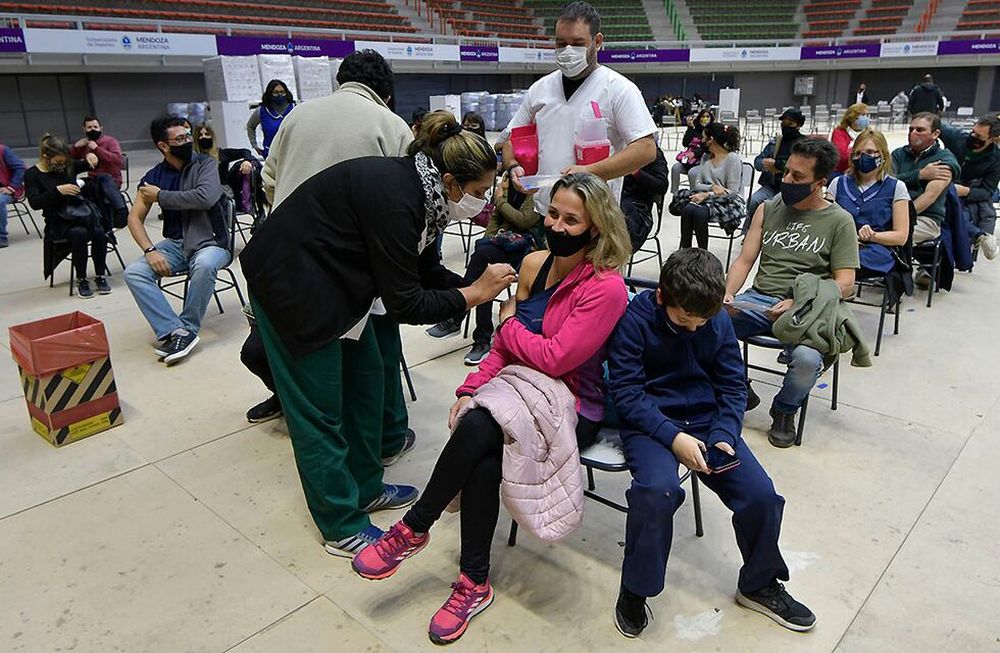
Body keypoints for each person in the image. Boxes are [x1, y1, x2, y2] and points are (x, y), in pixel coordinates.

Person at [351, 172, 632, 645]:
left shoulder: (605, 288)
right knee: (483, 433)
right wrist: (471, 385)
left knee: (487, 426)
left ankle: (416, 527)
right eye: (553, 215)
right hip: (515, 391)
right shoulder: (535, 265)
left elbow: (557, 357)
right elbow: (505, 354)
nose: (557, 227)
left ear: (597, 228)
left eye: (571, 220)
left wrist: (505, 325)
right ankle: (472, 583)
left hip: (573, 405)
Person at [239, 111, 517, 558]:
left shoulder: (427, 196)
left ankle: (366, 486)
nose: (484, 203)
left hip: (341, 282)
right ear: (451, 180)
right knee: (319, 412)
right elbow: (407, 303)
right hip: (293, 285)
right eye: (480, 192)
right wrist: (471, 296)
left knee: (369, 383)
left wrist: (473, 285)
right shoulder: (398, 198)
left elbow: (424, 270)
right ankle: (340, 523)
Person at [607, 248, 815, 638]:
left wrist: (722, 434)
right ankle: (635, 589)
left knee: (761, 496)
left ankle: (759, 583)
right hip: (651, 422)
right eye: (684, 319)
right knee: (657, 491)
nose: (693, 328)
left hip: (707, 421)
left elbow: (732, 386)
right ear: (662, 297)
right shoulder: (635, 321)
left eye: (701, 321)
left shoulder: (715, 320)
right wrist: (673, 438)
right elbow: (628, 395)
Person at [259, 48, 422, 461]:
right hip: (357, 265)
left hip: (289, 264)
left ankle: (353, 452)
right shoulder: (390, 123)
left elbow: (269, 181)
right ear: (386, 90)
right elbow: (406, 201)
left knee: (321, 377)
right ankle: (386, 440)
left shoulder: (297, 115)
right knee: (378, 353)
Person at [725, 138, 859, 447]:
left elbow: (846, 283)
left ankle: (784, 409)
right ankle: (738, 388)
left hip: (807, 310)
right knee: (705, 324)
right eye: (786, 172)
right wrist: (728, 295)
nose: (787, 180)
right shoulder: (767, 208)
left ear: (820, 183)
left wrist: (801, 301)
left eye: (798, 177)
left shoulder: (840, 221)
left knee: (808, 360)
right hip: (758, 300)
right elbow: (745, 259)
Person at [502, 1, 657, 218]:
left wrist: (590, 172)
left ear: (598, 41)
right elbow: (511, 138)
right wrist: (512, 166)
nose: (567, 51)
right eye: (560, 43)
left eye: (577, 43)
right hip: (547, 211)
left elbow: (646, 148)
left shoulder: (618, 89)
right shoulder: (540, 89)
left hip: (596, 214)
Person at [124, 117, 229, 365]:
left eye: (188, 136)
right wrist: (150, 250)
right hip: (175, 244)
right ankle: (175, 330)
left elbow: (205, 197)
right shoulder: (154, 175)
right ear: (163, 146)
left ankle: (188, 328)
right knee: (135, 272)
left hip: (211, 242)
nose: (187, 142)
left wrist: (161, 196)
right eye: (180, 139)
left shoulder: (205, 164)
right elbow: (134, 218)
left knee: (204, 265)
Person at [426, 170, 544, 365]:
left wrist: (499, 201)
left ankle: (461, 316)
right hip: (504, 245)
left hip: (530, 249)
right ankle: (479, 337)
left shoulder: (536, 187)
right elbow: (495, 220)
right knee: (483, 264)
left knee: (482, 260)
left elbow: (525, 220)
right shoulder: (508, 183)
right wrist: (486, 241)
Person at [24, 134, 107, 297]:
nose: (62, 165)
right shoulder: (33, 174)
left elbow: (92, 165)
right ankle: (81, 279)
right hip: (57, 222)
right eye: (58, 162)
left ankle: (100, 275)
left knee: (99, 232)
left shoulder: (67, 166)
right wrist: (57, 191)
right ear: (46, 157)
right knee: (79, 234)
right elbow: (34, 203)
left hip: (78, 214)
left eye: (64, 161)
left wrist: (92, 156)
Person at [827, 129, 910, 277]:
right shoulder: (837, 183)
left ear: (883, 156)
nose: (863, 157)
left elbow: (901, 237)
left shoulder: (897, 187)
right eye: (858, 153)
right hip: (839, 245)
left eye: (870, 152)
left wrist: (873, 236)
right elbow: (824, 221)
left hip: (875, 249)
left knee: (843, 262)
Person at [891, 113, 960, 251]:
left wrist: (901, 218)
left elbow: (929, 196)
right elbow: (885, 183)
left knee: (890, 238)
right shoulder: (898, 154)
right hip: (890, 213)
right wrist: (919, 175)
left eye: (920, 130)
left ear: (935, 134)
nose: (913, 133)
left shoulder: (945, 161)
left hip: (925, 219)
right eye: (911, 129)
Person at [678, 122, 745, 249]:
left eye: (704, 137)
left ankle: (703, 254)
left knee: (699, 212)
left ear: (711, 140)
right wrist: (711, 188)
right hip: (708, 197)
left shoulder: (733, 159)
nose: (701, 141)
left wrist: (709, 194)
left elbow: (733, 192)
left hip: (730, 201)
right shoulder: (706, 157)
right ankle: (685, 252)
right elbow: (697, 184)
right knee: (687, 209)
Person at [746, 108, 807, 229]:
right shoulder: (776, 141)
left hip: (791, 188)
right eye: (783, 123)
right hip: (771, 186)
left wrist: (777, 165)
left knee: (780, 208)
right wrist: (764, 163)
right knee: (754, 201)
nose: (785, 126)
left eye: (790, 123)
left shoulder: (804, 144)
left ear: (798, 125)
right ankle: (748, 231)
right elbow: (757, 161)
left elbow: (801, 166)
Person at [195, 124, 264, 225]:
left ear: (212, 136)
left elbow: (245, 151)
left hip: (223, 191)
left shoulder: (221, 153)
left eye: (206, 134)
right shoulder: (194, 158)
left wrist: (247, 161)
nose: (204, 137)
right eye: (200, 135)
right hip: (204, 191)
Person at [954, 117, 1000, 260]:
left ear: (992, 139)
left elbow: (988, 190)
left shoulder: (996, 160)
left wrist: (966, 192)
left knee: (972, 213)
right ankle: (980, 236)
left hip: (970, 192)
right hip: (948, 185)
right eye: (973, 132)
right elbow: (934, 123)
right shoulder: (957, 139)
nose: (973, 137)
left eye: (979, 136)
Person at [621, 146, 669, 251]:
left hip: (637, 209)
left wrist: (636, 172)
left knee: (617, 217)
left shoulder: (652, 153)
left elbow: (661, 186)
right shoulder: (617, 149)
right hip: (614, 201)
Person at [69, 116, 124, 189]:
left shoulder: (111, 141)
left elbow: (117, 160)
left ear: (101, 128)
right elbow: (68, 160)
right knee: (73, 187)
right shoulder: (84, 144)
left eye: (95, 127)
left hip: (110, 180)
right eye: (89, 127)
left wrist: (97, 148)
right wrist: (75, 147)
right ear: (84, 129)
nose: (93, 129)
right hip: (92, 180)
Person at [247, 79, 295, 158]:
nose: (280, 95)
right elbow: (250, 126)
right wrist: (254, 144)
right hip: (271, 154)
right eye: (276, 92)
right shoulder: (262, 110)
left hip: (292, 153)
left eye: (282, 92)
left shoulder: (295, 108)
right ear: (270, 94)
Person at [671, 108, 713, 192]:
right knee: (675, 168)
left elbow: (706, 148)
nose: (705, 119)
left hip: (703, 161)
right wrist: (689, 128)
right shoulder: (695, 130)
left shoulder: (712, 131)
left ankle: (693, 193)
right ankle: (675, 193)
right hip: (689, 160)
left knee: (692, 173)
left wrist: (694, 153)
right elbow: (685, 143)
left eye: (707, 116)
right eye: (703, 116)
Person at [0, 140, 26, 248]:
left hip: (6, 189)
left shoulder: (2, 150)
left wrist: (11, 187)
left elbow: (20, 167)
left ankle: (1, 238)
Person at [830, 103, 870, 174]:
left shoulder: (870, 133)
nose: (866, 118)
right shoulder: (839, 132)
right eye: (863, 115)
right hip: (841, 171)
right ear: (853, 117)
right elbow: (842, 156)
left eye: (867, 115)